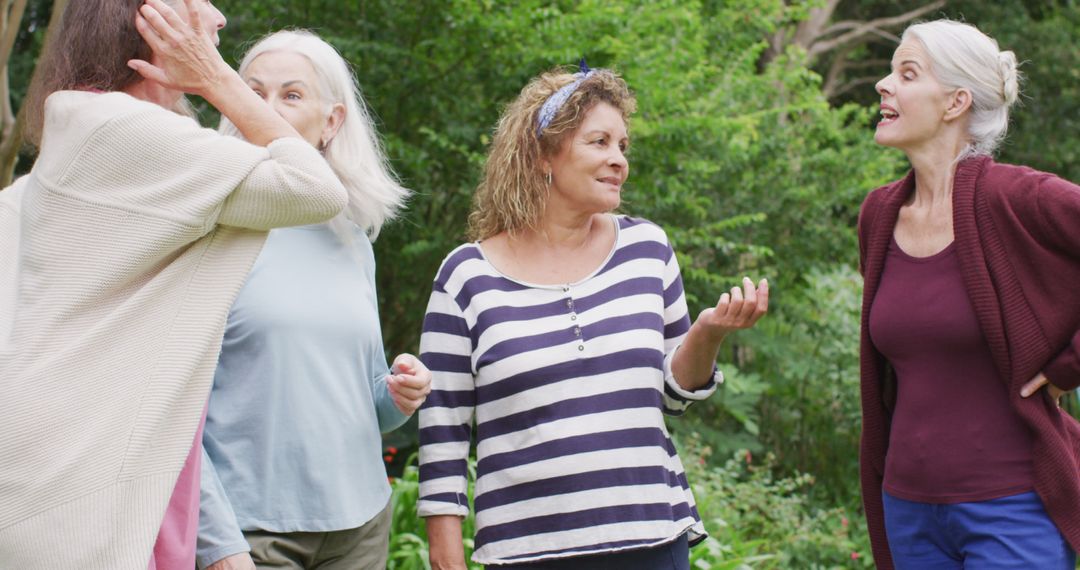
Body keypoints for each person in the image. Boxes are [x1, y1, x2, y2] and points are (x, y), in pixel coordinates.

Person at [0, 1, 349, 568]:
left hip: (42, 464)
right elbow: (314, 189)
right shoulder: (131, 130)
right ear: (150, 33)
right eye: (195, 9)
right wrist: (214, 77)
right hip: (73, 485)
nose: (217, 20)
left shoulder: (79, 130)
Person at [417, 63, 769, 569]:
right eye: (599, 142)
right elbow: (442, 430)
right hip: (526, 553)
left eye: (623, 146)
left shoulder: (648, 248)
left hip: (652, 540)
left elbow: (673, 397)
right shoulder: (466, 276)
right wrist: (446, 560)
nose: (618, 160)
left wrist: (708, 333)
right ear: (543, 156)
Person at [194, 30, 431, 570]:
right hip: (252, 534)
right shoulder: (209, 231)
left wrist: (398, 394)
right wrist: (216, 541)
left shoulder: (350, 238)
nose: (266, 110)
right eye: (252, 93)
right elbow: (171, 411)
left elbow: (367, 410)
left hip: (360, 526)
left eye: (291, 95)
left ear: (332, 123)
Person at [857, 19, 1080, 570]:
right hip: (907, 512)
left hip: (1012, 510)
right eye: (889, 72)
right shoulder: (879, 215)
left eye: (906, 73)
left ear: (956, 101)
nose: (884, 85)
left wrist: (1069, 366)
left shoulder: (1020, 198)